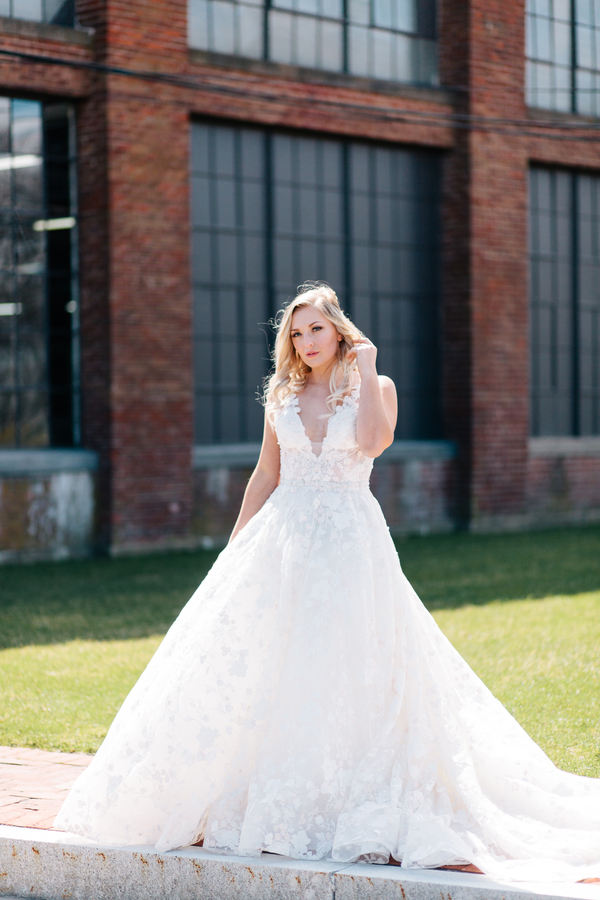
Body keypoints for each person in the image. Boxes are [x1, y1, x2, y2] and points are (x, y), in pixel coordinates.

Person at [55, 283, 600, 882]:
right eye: (295, 331)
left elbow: (373, 442)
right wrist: (235, 546)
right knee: (269, 665)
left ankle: (349, 798)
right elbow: (266, 472)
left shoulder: (376, 386)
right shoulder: (281, 394)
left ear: (338, 329)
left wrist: (367, 367)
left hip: (350, 539)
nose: (305, 341)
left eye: (315, 328)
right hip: (281, 540)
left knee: (351, 664)